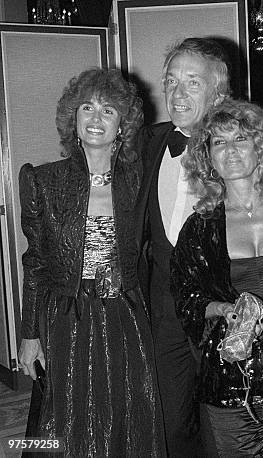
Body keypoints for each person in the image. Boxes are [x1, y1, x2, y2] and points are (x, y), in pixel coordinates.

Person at [17, 68, 165, 456]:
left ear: (123, 124)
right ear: (74, 118)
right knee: (69, 416)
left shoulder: (141, 180)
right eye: (88, 107)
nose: (96, 118)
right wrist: (29, 333)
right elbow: (35, 263)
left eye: (109, 110)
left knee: (128, 410)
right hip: (69, 316)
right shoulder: (43, 181)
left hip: (127, 314)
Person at [170, 98, 263, 457]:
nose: (230, 150)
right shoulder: (199, 227)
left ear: (260, 146)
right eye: (219, 142)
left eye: (241, 139)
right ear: (207, 156)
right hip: (229, 368)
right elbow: (184, 296)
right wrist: (220, 307)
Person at [134, 37, 230, 457]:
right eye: (171, 82)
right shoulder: (148, 143)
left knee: (224, 421)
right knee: (172, 424)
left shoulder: (243, 148)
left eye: (192, 83)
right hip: (164, 308)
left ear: (218, 93)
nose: (177, 93)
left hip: (221, 306)